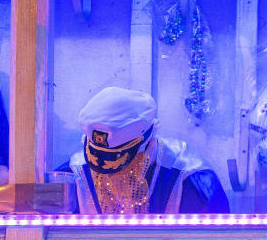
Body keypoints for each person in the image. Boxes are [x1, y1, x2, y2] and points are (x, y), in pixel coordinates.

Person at [61, 87, 229, 214]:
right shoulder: (72, 174)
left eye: (118, 157)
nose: (105, 167)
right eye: (97, 154)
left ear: (148, 144)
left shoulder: (191, 178)